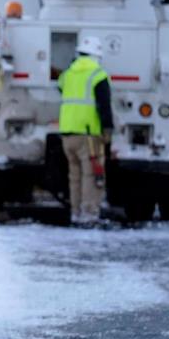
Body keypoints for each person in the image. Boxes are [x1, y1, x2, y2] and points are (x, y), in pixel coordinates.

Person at [57, 36, 114, 225]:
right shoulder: (98, 75)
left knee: (75, 176)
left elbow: (60, 87)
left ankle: (75, 212)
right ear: (97, 56)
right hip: (89, 135)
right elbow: (104, 105)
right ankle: (89, 214)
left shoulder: (68, 74)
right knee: (92, 175)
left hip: (67, 134)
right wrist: (108, 129)